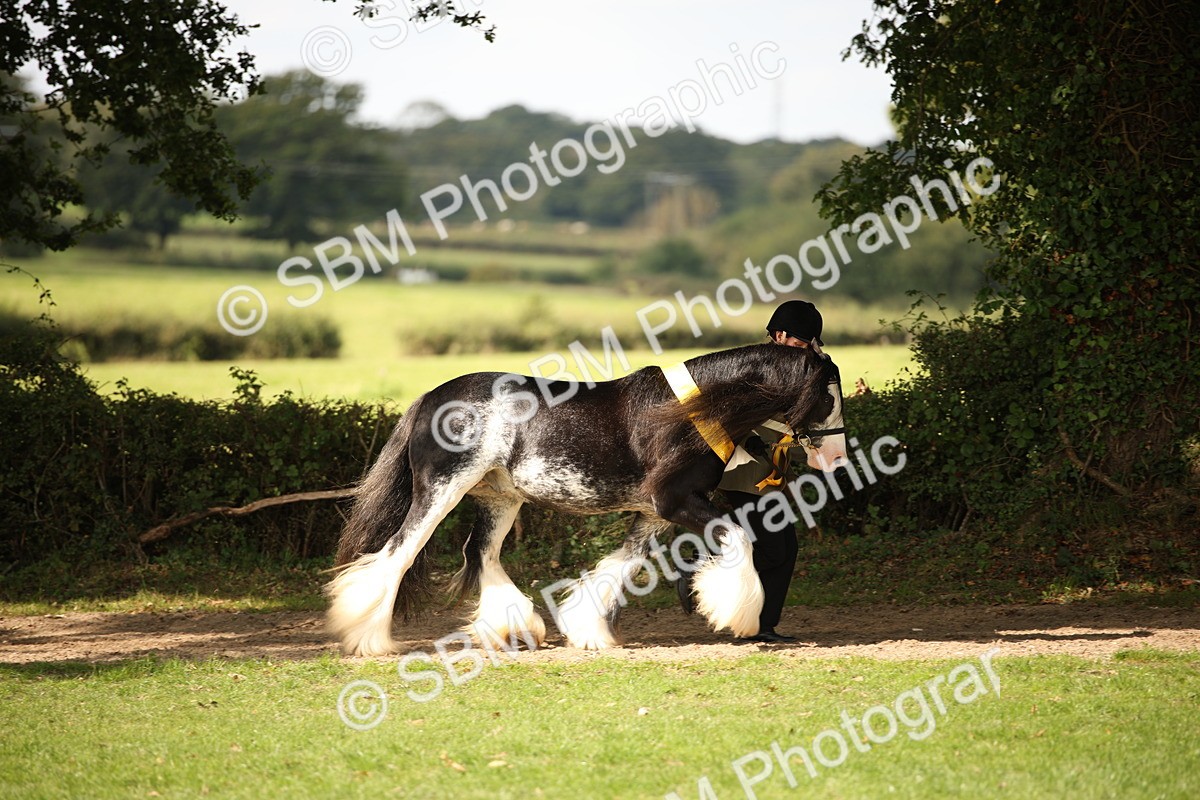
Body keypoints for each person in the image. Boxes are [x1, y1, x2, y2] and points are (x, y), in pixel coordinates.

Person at [677, 299, 826, 643]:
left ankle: (761, 626)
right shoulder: (755, 367)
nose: (803, 352)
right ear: (780, 335)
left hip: (771, 474)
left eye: (808, 346)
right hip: (742, 471)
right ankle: (701, 564)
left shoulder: (791, 368)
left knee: (785, 550)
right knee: (775, 548)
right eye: (800, 343)